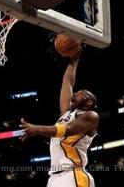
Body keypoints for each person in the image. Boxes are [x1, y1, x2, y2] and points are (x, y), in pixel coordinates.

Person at [20, 53, 99, 187]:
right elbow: (67, 82)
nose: (75, 93)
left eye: (80, 93)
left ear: (89, 102)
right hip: (55, 177)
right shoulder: (67, 114)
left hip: (73, 175)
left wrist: (38, 129)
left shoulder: (91, 116)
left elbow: (67, 130)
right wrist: (74, 60)